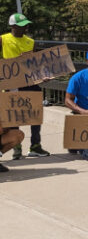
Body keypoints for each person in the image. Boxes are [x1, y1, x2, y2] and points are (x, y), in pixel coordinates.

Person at [0, 13, 50, 159]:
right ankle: (16, 147)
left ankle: (35, 146)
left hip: (30, 82)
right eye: (22, 25)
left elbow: (34, 63)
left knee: (36, 114)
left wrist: (42, 76)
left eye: (26, 25)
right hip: (13, 83)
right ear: (13, 26)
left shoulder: (30, 41)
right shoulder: (3, 39)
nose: (25, 28)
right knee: (14, 115)